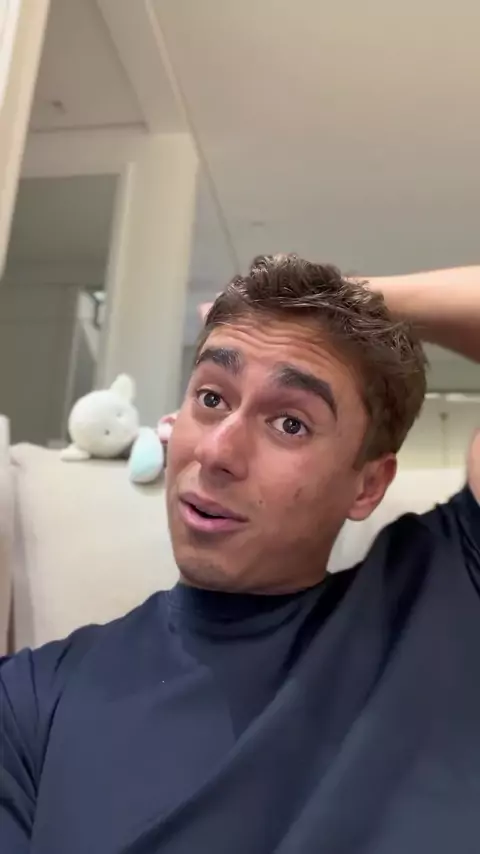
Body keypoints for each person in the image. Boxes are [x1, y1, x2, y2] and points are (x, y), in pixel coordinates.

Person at [1, 255, 479, 854]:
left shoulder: (441, 590)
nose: (218, 452)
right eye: (211, 397)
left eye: (290, 423)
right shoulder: (31, 700)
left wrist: (347, 297)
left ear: (368, 486)